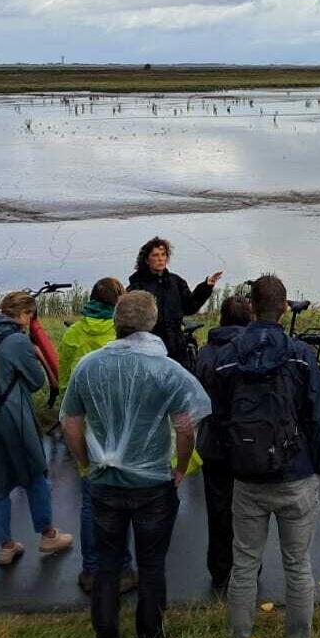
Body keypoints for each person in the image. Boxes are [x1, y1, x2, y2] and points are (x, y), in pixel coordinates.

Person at [62, 291, 212, 638]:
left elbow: (70, 424)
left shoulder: (88, 366)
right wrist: (179, 468)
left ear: (116, 322)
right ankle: (151, 637)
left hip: (104, 481)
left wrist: (86, 464)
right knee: (152, 564)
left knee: (107, 564)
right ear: (152, 323)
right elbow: (185, 428)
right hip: (153, 483)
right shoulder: (166, 369)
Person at [207, 277, 320, 638]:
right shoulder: (300, 354)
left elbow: (218, 417)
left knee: (244, 564)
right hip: (296, 471)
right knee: (298, 564)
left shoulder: (228, 356)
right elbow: (317, 415)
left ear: (252, 307)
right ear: (284, 306)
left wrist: (231, 461)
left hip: (248, 476)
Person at [0, 291, 73, 566]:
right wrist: (35, 354)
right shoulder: (16, 340)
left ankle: (6, 545)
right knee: (34, 473)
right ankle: (48, 534)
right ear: (25, 314)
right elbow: (35, 382)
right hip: (12, 417)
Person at [60, 277, 135, 594]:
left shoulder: (73, 334)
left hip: (87, 429)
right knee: (125, 502)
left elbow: (64, 384)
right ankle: (123, 568)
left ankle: (91, 569)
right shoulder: (123, 336)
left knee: (91, 502)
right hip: (122, 429)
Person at [192, 295, 255, 596]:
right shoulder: (254, 349)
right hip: (249, 441)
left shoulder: (206, 353)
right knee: (250, 510)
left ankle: (220, 571)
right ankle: (249, 569)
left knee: (218, 510)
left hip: (214, 440)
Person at [128, 236, 223, 364]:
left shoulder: (176, 282)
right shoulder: (137, 286)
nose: (160, 259)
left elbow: (190, 306)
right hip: (149, 348)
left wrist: (206, 287)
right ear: (146, 260)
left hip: (177, 347)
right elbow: (130, 319)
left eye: (163, 255)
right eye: (155, 255)